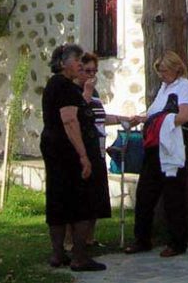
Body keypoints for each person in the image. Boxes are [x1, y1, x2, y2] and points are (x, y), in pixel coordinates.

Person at [122, 51, 188, 257]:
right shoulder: (163, 89)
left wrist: (161, 122)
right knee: (145, 194)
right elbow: (154, 114)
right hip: (154, 147)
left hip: (171, 146)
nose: (162, 75)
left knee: (173, 195)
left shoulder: (184, 87)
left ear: (176, 69)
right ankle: (142, 239)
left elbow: (184, 116)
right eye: (160, 72)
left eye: (164, 71)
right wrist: (143, 119)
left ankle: (177, 242)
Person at [40, 43, 107, 272]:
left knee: (58, 200)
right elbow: (70, 121)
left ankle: (58, 254)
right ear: (62, 63)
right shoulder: (65, 87)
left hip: (54, 148)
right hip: (67, 152)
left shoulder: (54, 85)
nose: (80, 64)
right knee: (81, 203)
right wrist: (83, 155)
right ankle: (79, 256)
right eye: (76, 60)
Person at [77, 53, 116, 244]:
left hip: (98, 147)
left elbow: (100, 117)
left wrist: (125, 120)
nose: (92, 75)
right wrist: (86, 91)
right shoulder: (75, 91)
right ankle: (72, 240)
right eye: (87, 71)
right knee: (81, 197)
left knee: (96, 195)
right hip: (83, 147)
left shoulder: (95, 93)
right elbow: (77, 113)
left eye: (94, 71)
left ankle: (89, 238)